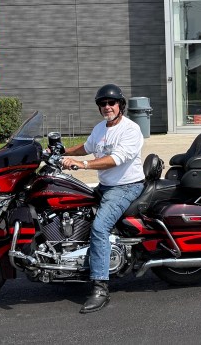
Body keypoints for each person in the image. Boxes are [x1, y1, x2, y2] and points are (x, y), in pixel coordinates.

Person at [62, 83, 144, 313]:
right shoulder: (100, 128)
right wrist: (61, 151)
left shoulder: (130, 130)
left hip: (126, 187)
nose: (107, 107)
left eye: (111, 103)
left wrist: (83, 164)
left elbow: (115, 159)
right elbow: (86, 147)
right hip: (106, 186)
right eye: (103, 104)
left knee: (99, 228)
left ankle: (100, 287)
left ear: (121, 105)